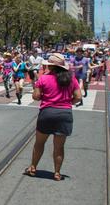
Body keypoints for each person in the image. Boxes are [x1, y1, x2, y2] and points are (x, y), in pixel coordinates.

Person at [25, 53, 82, 181]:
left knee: (39, 143)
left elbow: (36, 96)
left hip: (47, 112)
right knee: (59, 147)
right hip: (65, 114)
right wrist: (67, 103)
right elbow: (78, 97)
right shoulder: (71, 79)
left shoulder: (43, 79)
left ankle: (33, 167)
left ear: (50, 66)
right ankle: (57, 173)